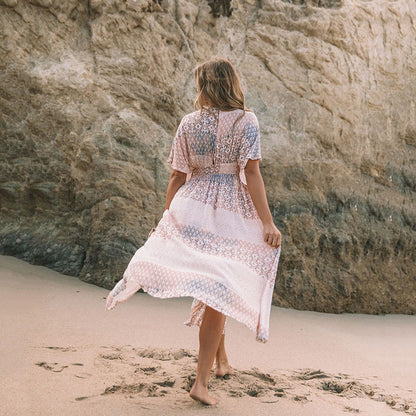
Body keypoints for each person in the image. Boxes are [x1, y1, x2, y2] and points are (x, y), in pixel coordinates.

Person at [105, 56, 282, 406]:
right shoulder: (247, 121)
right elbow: (251, 174)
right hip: (230, 211)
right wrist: (266, 221)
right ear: (232, 83)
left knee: (217, 283)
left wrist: (168, 217)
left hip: (192, 206)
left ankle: (221, 362)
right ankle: (200, 383)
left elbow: (177, 176)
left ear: (205, 86)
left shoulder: (189, 123)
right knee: (219, 285)